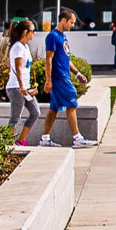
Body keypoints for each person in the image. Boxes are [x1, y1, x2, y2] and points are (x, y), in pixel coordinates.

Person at [38, 9, 94, 147]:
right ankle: (77, 138)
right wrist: (48, 80)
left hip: (63, 75)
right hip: (59, 77)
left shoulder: (63, 36)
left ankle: (44, 139)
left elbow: (66, 58)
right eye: (71, 22)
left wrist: (78, 73)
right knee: (72, 102)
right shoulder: (53, 36)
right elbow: (48, 59)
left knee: (54, 108)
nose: (72, 26)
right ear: (63, 20)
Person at [6, 19, 40, 145]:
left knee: (36, 113)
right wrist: (21, 86)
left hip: (25, 88)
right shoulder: (17, 47)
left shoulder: (26, 47)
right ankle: (7, 143)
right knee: (15, 117)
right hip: (16, 87)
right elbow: (18, 68)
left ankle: (21, 140)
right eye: (32, 31)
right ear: (25, 32)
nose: (34, 34)